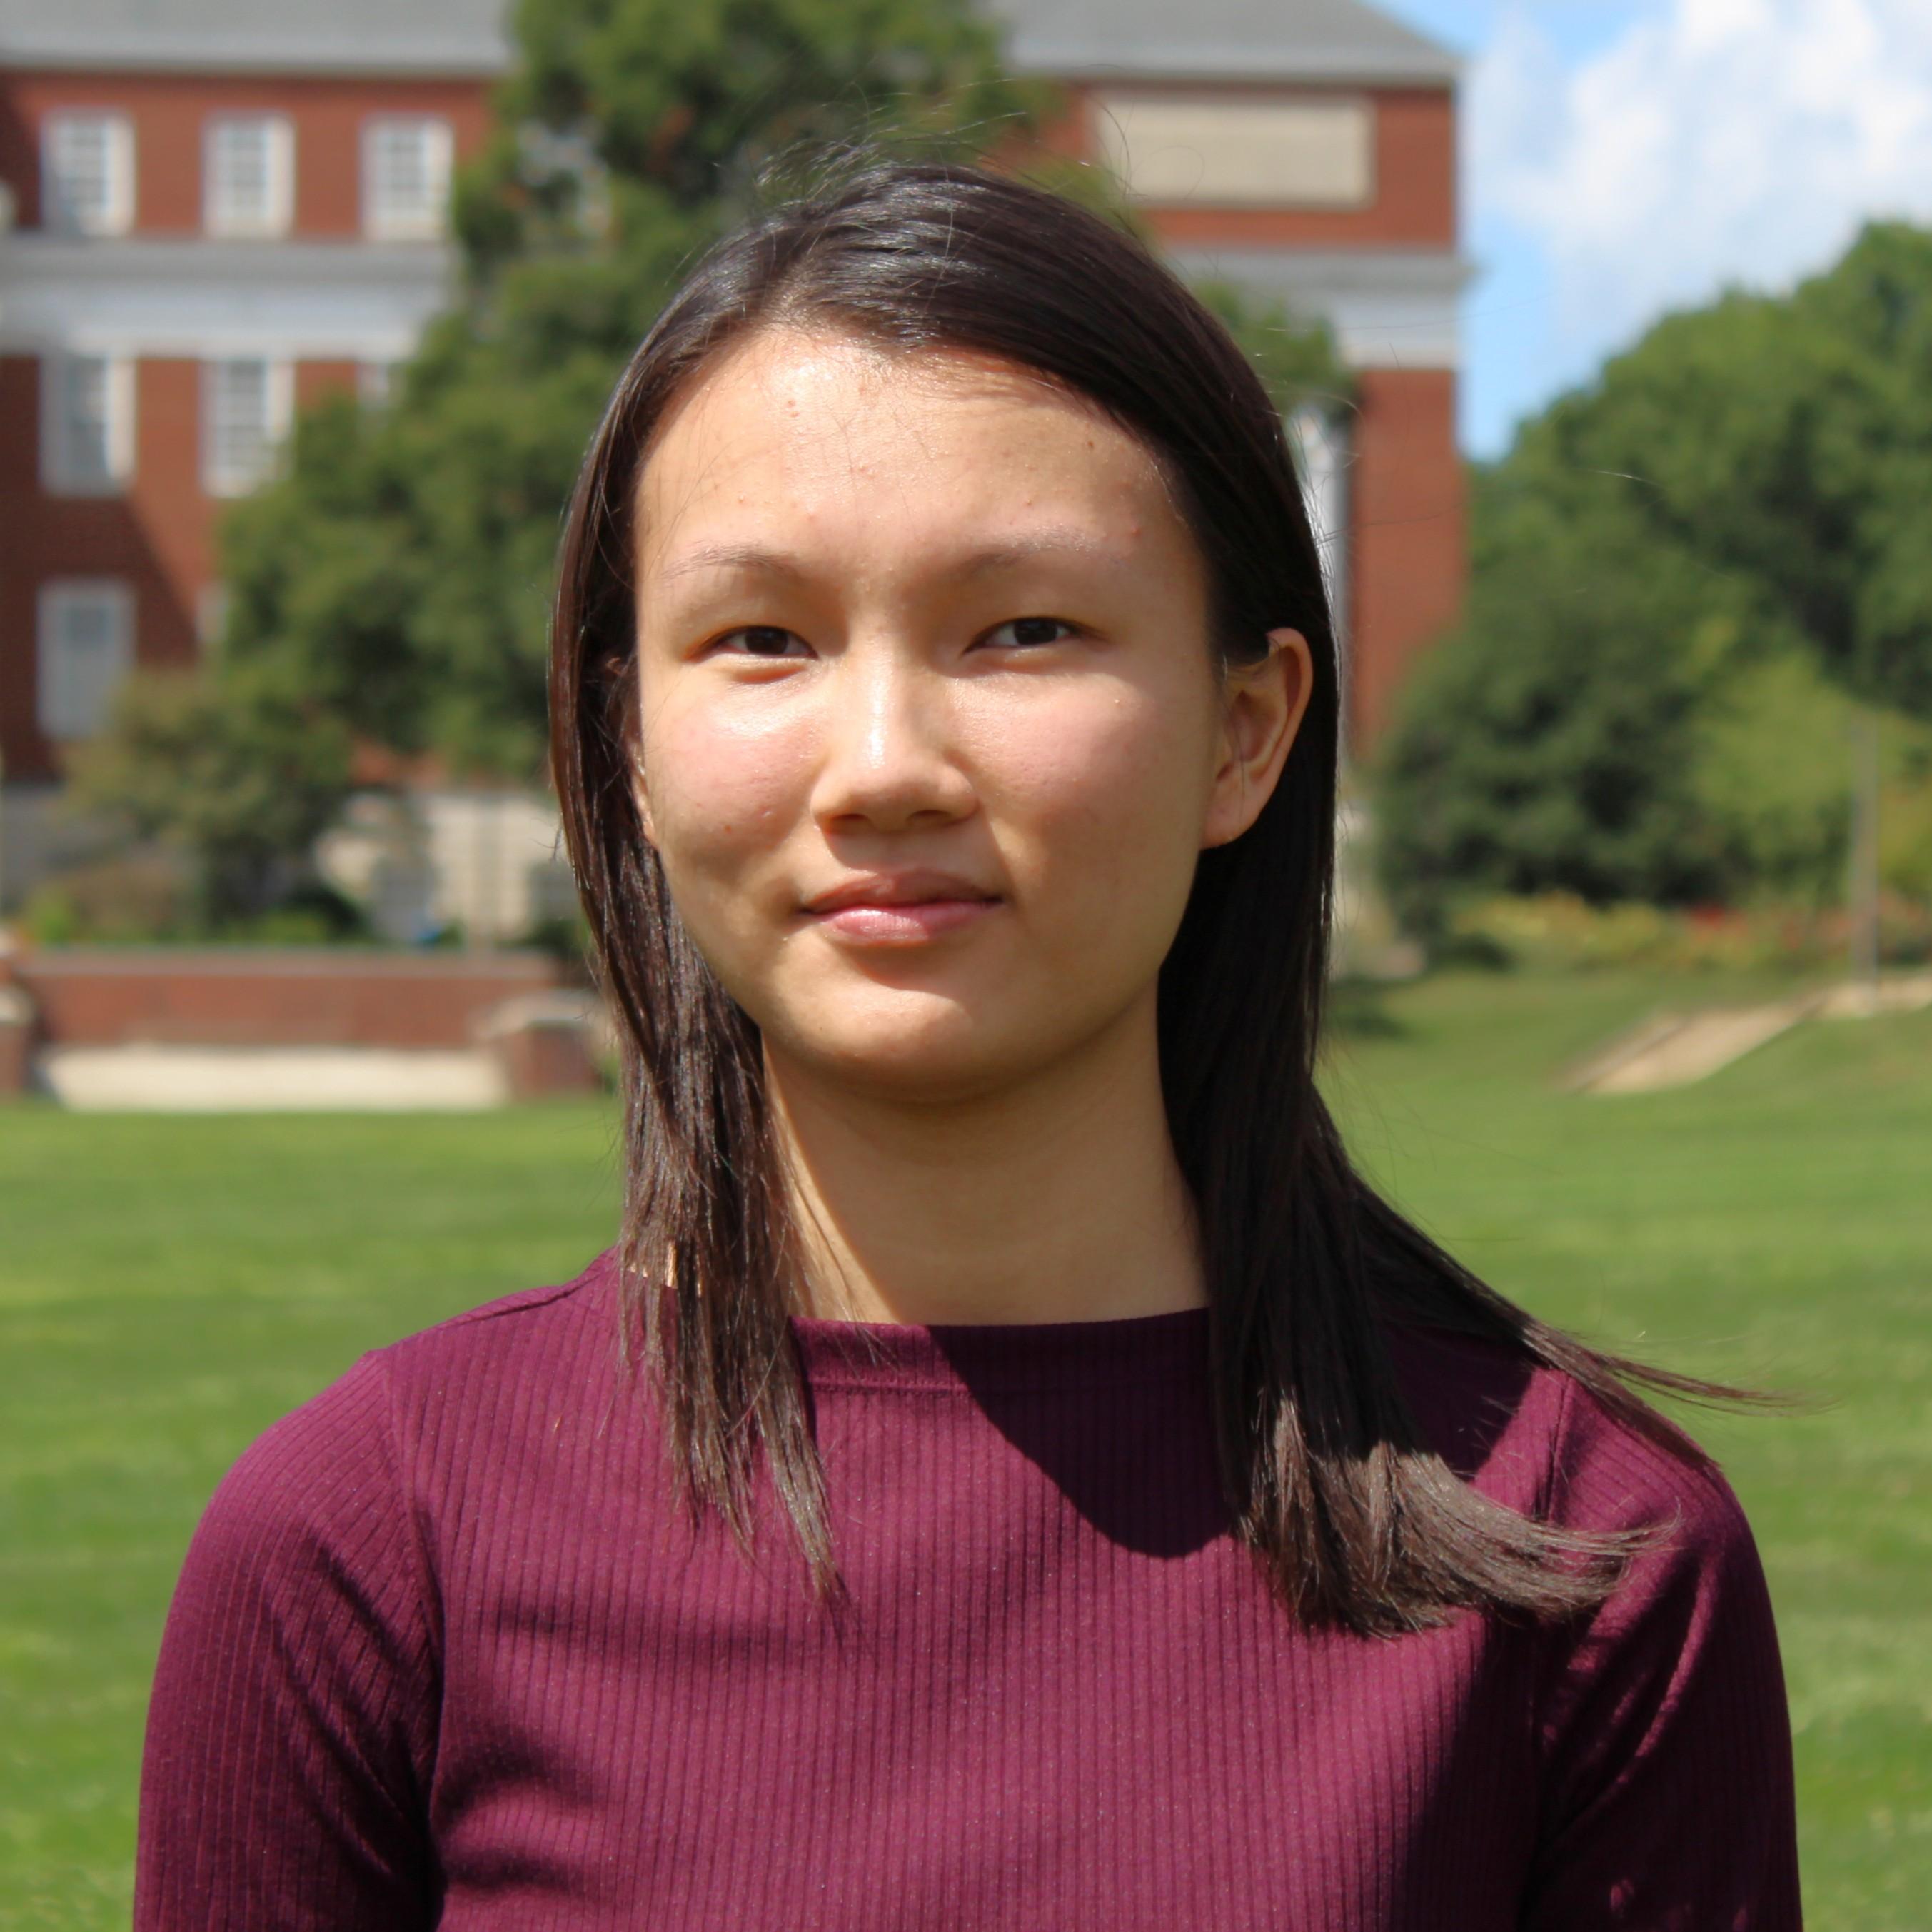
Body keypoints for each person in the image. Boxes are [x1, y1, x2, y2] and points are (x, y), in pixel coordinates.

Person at [135, 160, 1801, 1930]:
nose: (883, 765)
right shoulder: (367, 1550)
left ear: (1247, 731)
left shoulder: (1587, 1558)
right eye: (759, 638)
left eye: (1024, 631)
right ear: (632, 745)